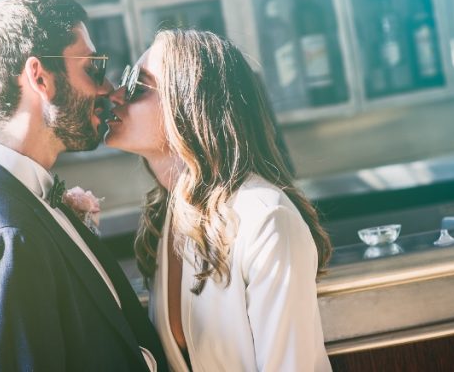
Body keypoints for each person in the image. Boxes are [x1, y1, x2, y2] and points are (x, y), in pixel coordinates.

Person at [0, 0, 167, 371]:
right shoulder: (5, 241)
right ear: (40, 77)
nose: (109, 88)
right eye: (92, 68)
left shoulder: (22, 200)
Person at [104, 28, 333, 371]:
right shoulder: (169, 218)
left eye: (137, 85)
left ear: (189, 104)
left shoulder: (266, 219)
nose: (116, 94)